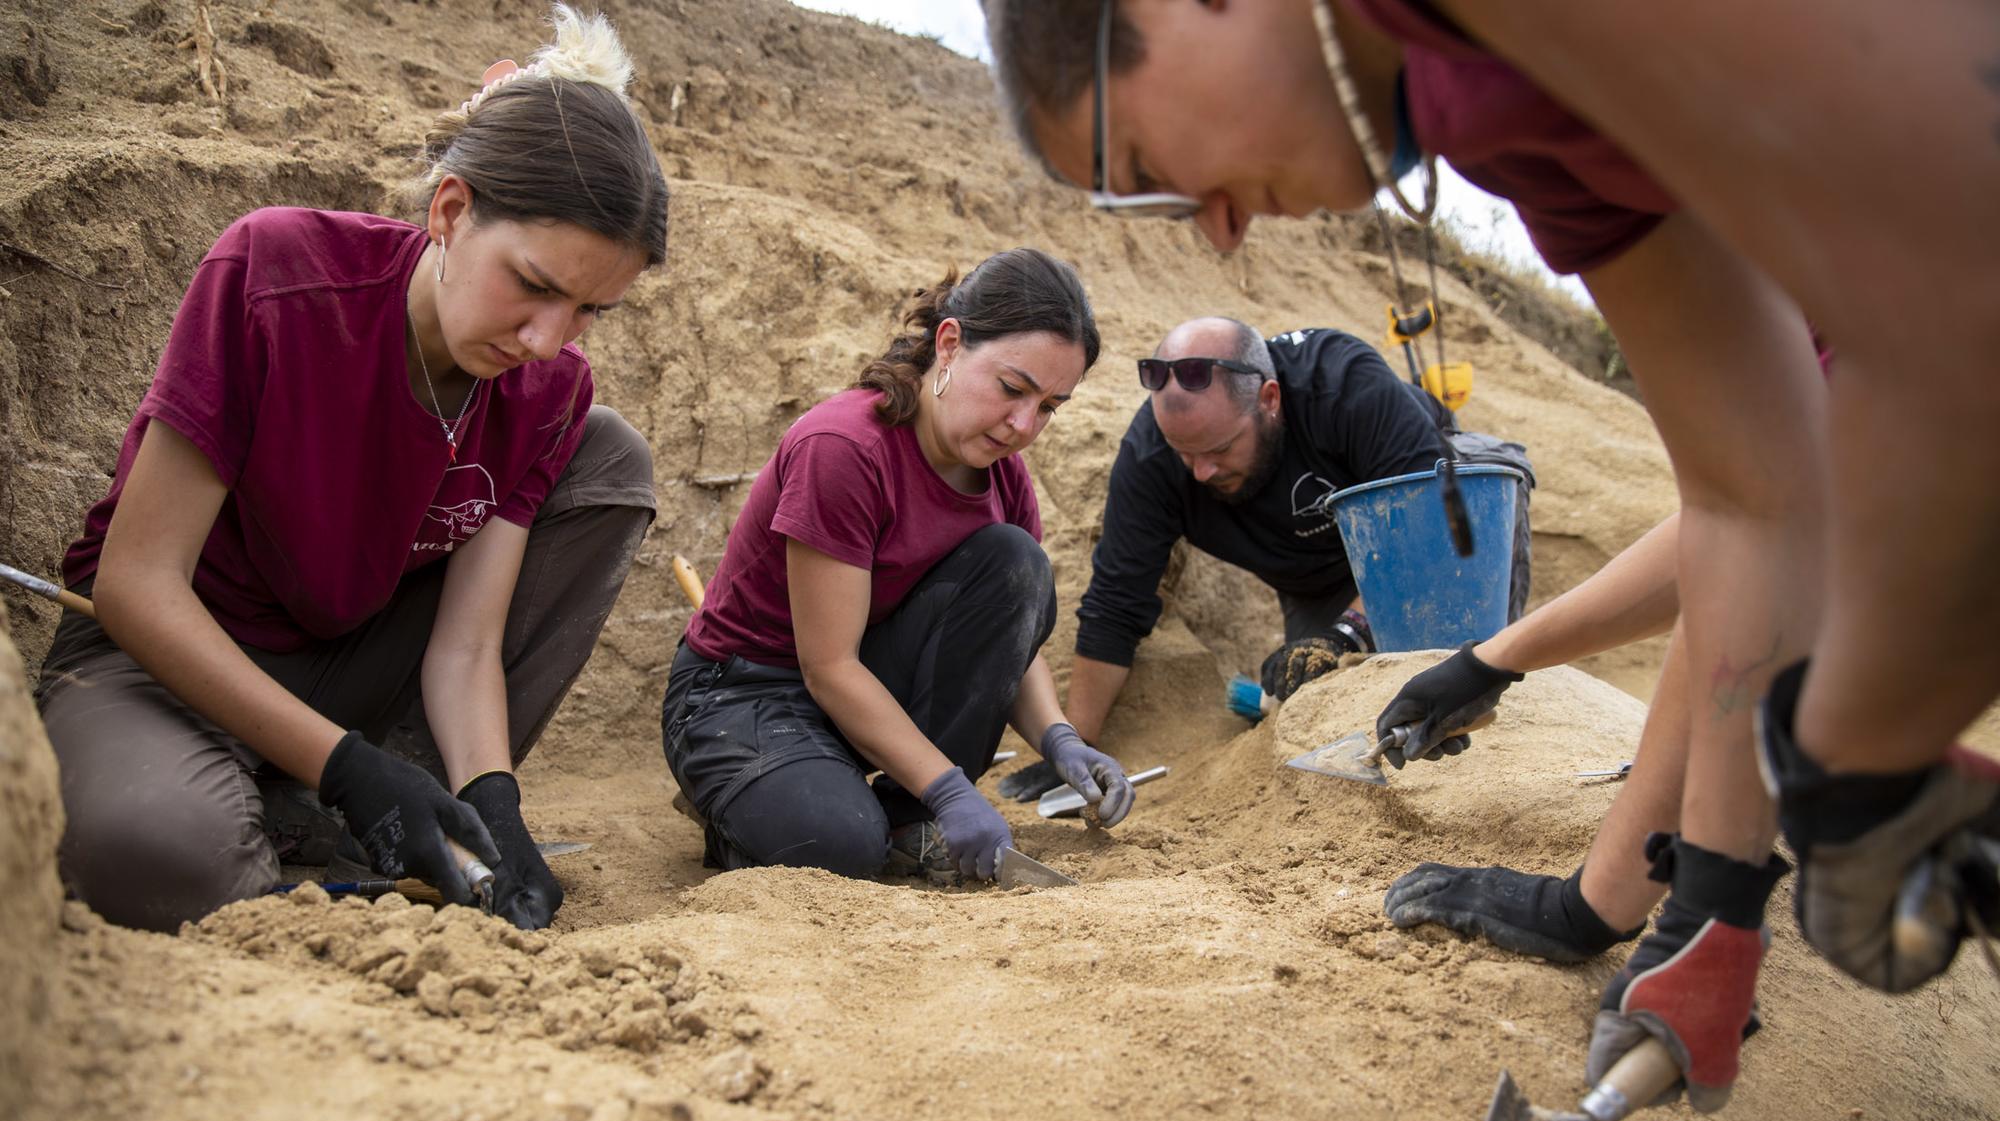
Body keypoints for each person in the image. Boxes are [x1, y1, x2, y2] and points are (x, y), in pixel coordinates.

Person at [980, 0, 2000, 1114]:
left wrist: (1859, 751)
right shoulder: (1518, 135)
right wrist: (1664, 899)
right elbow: (1749, 508)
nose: (1219, 228)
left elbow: (1958, 329)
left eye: (1148, 169)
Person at [36, 5, 667, 933]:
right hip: (162, 664)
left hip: (345, 668)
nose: (547, 339)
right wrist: (347, 769)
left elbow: (464, 648)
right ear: (450, 211)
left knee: (611, 453)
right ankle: (324, 802)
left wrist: (492, 799)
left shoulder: (548, 388)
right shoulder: (279, 275)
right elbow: (135, 584)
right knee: (159, 855)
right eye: (535, 285)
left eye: (589, 311)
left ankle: (391, 810)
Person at [661, 249, 1136, 883]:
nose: (1024, 424)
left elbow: (1006, 642)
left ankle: (907, 818)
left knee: (1015, 562)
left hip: (862, 685)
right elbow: (828, 666)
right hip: (746, 693)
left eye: (1050, 406)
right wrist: (950, 788)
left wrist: (1060, 739)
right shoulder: (844, 448)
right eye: (1012, 388)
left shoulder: (1003, 474)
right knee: (842, 847)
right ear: (950, 343)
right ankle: (745, 800)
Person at [1002, 314, 1532, 801]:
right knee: (1320, 705)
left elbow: (1428, 537)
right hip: (1316, 571)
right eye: (1184, 454)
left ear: (1270, 399)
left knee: (1451, 672)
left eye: (1218, 450)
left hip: (1440, 516)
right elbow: (1116, 606)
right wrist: (1073, 744)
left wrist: (1346, 633)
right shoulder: (1151, 457)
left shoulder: (1342, 383)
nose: (1200, 473)